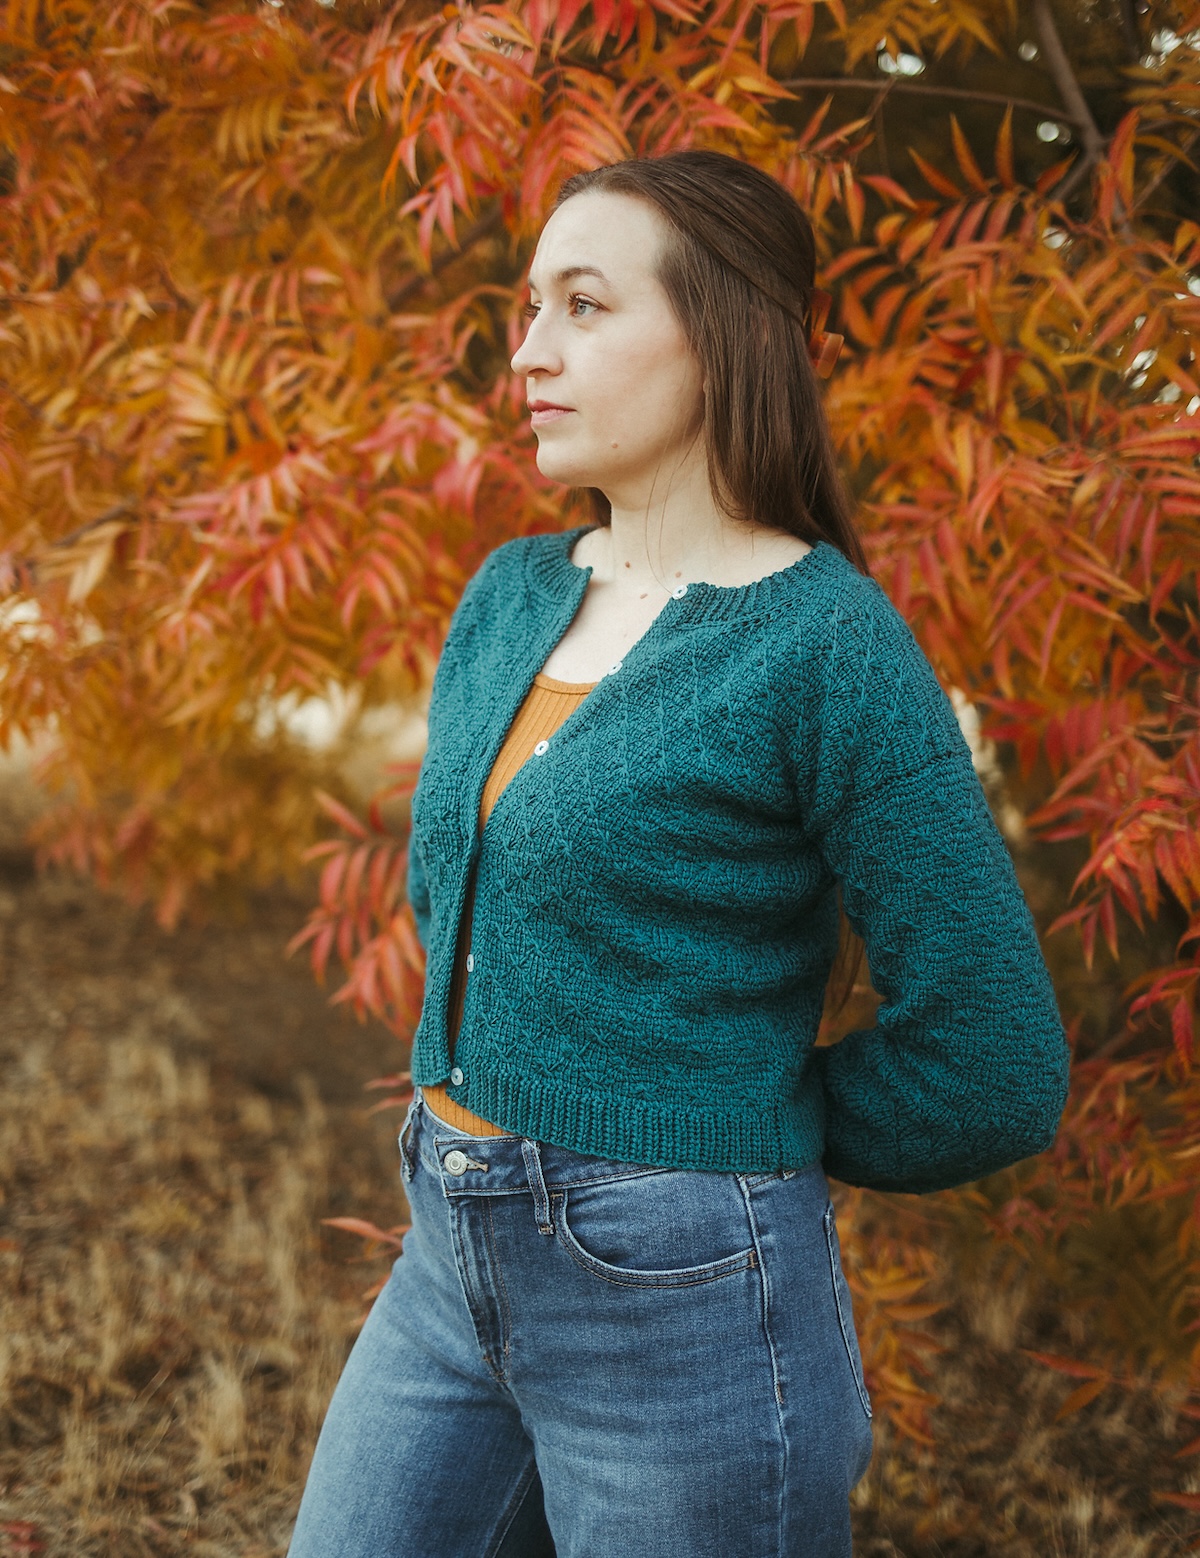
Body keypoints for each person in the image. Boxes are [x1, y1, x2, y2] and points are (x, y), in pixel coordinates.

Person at [286, 149, 1070, 1558]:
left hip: (687, 1307)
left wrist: (726, 1135)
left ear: (722, 333)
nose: (529, 352)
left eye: (584, 305)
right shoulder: (512, 592)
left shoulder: (826, 646)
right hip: (447, 1260)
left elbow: (994, 1058)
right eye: (529, 307)